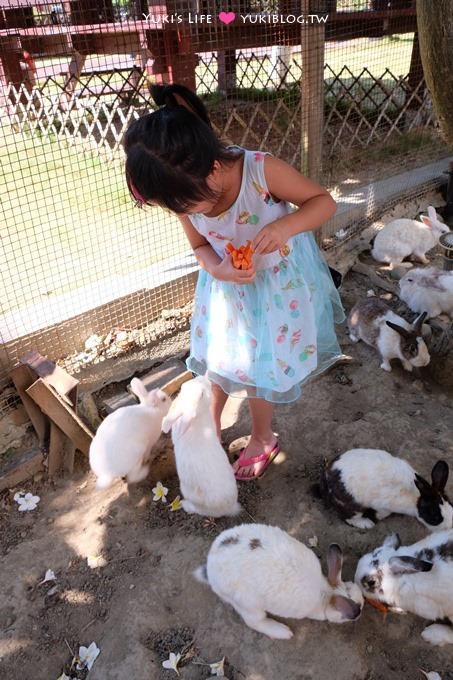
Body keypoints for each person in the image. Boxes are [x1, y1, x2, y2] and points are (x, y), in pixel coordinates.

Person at [124, 83, 344, 481]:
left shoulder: (261, 171)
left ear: (210, 170)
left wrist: (286, 226)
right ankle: (209, 427)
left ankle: (262, 436)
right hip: (227, 289)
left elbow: (324, 202)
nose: (184, 214)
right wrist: (217, 269)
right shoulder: (182, 192)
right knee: (219, 359)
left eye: (188, 207)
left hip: (276, 288)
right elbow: (199, 247)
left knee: (261, 367)